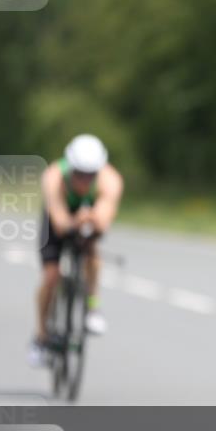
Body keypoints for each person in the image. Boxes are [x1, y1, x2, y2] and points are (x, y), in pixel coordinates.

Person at [30, 134, 124, 366]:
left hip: (87, 216)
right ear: (70, 167)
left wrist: (90, 220)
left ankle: (93, 306)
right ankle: (41, 336)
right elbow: (60, 223)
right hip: (58, 219)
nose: (84, 179)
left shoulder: (111, 180)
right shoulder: (53, 176)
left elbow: (103, 219)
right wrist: (75, 222)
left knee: (92, 252)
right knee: (51, 277)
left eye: (90, 175)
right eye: (79, 173)